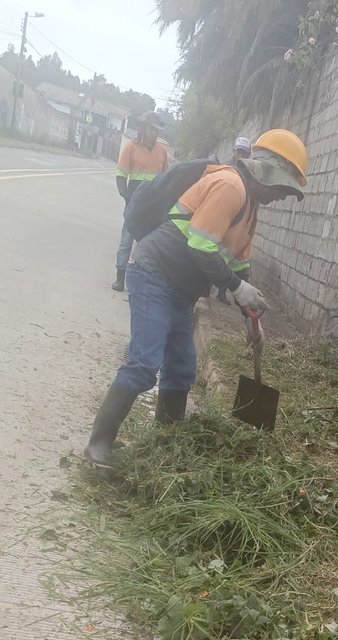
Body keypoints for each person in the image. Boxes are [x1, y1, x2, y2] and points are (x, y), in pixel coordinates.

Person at [84, 129, 308, 467]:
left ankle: (166, 444)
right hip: (155, 274)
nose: (281, 197)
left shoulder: (250, 208)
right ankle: (98, 444)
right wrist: (235, 287)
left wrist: (252, 318)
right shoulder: (230, 186)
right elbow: (200, 246)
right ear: (267, 171)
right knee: (145, 364)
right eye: (282, 188)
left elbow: (238, 265)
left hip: (181, 290)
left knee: (182, 369)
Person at [112, 111, 168, 292]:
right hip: (134, 203)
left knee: (148, 243)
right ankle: (120, 276)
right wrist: (127, 197)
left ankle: (142, 278)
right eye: (152, 129)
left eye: (157, 130)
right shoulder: (130, 147)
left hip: (153, 206)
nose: (155, 133)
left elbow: (166, 178)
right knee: (127, 239)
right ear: (143, 128)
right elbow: (121, 175)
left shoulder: (162, 152)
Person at [217, 135, 252, 303]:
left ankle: (222, 291)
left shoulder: (251, 172)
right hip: (223, 211)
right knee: (214, 248)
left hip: (238, 214)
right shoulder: (225, 166)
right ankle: (207, 286)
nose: (242, 156)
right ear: (234, 152)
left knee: (229, 253)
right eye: (240, 152)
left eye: (245, 153)